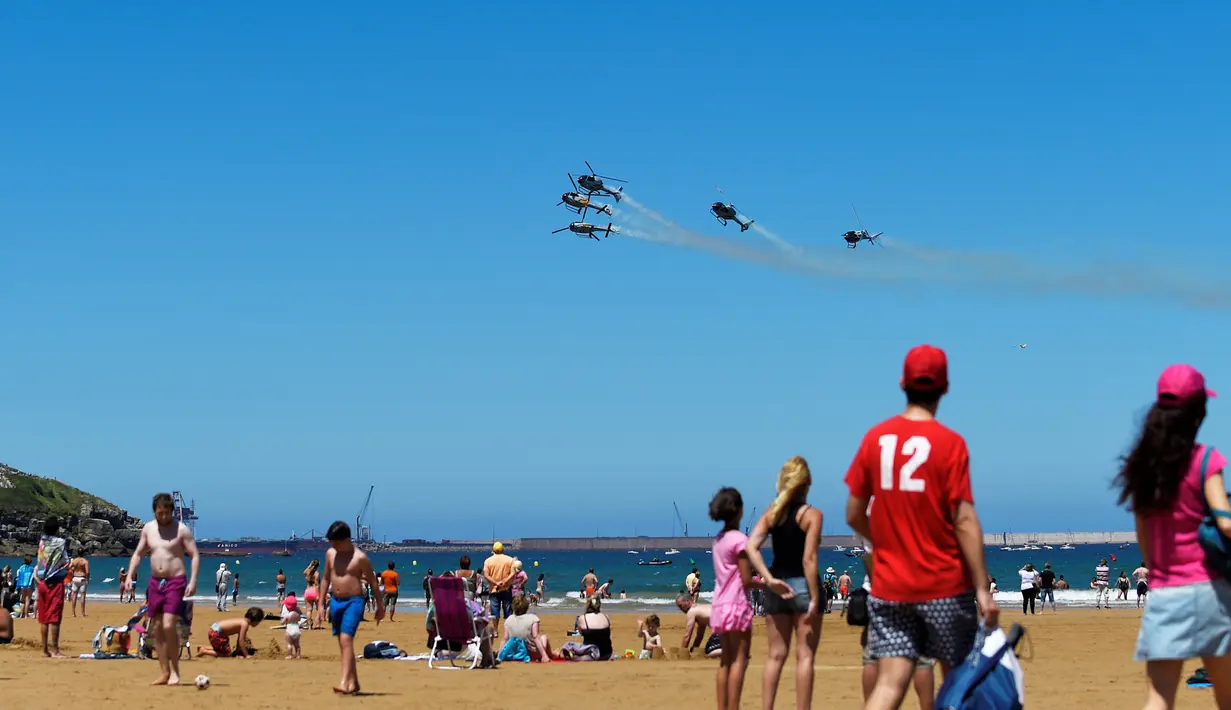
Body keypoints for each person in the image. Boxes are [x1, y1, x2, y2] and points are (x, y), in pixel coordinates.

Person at [844, 344, 998, 710]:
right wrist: (982, 587)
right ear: (945, 388)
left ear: (902, 383)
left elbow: (852, 513)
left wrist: (884, 543)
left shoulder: (875, 439)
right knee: (957, 683)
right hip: (944, 583)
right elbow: (963, 519)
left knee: (889, 685)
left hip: (891, 586)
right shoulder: (951, 444)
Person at [1112, 363, 1231, 708]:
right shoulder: (1206, 459)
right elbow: (1224, 521)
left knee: (1159, 697)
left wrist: (1160, 570)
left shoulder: (1142, 466)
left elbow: (1144, 538)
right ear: (1199, 412)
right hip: (1210, 589)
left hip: (1166, 593)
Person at [745, 456, 823, 710]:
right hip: (802, 584)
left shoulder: (772, 513)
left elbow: (750, 547)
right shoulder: (811, 515)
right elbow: (809, 559)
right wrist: (814, 597)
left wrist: (768, 579)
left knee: (775, 656)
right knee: (805, 657)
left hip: (777, 584)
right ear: (806, 484)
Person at [124, 492, 201, 685]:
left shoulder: (181, 530)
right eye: (160, 513)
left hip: (176, 581)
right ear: (155, 512)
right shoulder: (148, 529)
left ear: (172, 512)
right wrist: (130, 574)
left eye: (167, 513)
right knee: (156, 628)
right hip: (155, 583)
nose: (164, 517)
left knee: (168, 625)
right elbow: (139, 553)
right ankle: (164, 672)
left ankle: (175, 671)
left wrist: (193, 581)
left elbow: (195, 555)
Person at [317, 521, 385, 695]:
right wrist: (320, 606)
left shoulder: (360, 557)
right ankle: (354, 683)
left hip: (354, 602)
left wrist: (380, 606)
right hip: (335, 601)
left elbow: (373, 582)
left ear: (346, 539)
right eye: (331, 542)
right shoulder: (330, 554)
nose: (333, 545)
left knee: (346, 640)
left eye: (336, 542)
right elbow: (325, 579)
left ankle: (344, 683)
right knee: (343, 644)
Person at [708, 487, 761, 710]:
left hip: (720, 605)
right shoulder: (740, 540)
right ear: (738, 511)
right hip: (737, 604)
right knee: (741, 659)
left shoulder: (719, 540)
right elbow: (746, 579)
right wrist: (768, 583)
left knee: (725, 662)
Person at [35, 516, 70, 658]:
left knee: (43, 618)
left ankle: (45, 650)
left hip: (42, 582)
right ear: (56, 529)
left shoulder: (42, 542)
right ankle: (55, 650)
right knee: (55, 617)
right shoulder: (60, 542)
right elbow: (65, 561)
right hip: (54, 582)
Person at [503, 593, 554, 662]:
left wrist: (500, 656)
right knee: (544, 637)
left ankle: (552, 654)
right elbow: (536, 637)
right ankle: (551, 654)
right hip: (532, 654)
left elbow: (505, 639)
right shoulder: (533, 618)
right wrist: (544, 656)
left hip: (515, 653)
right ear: (526, 606)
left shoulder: (509, 619)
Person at [197, 607, 263, 658]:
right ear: (255, 620)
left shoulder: (242, 621)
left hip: (213, 630)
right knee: (227, 654)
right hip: (217, 633)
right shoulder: (245, 624)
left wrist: (237, 652)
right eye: (258, 622)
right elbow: (241, 641)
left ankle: (203, 648)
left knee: (221, 649)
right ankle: (205, 651)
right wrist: (246, 655)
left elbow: (239, 640)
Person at [482, 542, 516, 635]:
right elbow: (513, 573)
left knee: (495, 611)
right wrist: (504, 581)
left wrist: (496, 583)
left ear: (493, 550)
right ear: (503, 550)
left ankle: (496, 631)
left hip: (494, 589)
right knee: (508, 611)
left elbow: (486, 575)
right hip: (506, 588)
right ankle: (507, 631)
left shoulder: (488, 561)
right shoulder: (510, 560)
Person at [68, 553, 89, 618]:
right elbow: (87, 572)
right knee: (82, 596)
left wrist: (72, 575)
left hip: (75, 578)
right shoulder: (85, 561)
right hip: (82, 578)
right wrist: (87, 579)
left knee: (74, 595)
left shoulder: (74, 561)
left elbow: (69, 568)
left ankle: (73, 613)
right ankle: (82, 613)